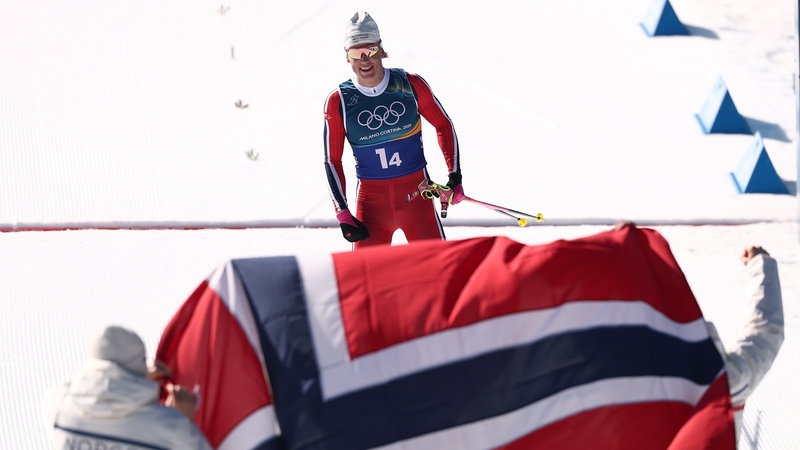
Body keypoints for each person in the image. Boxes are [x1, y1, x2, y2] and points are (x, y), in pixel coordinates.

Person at [613, 222, 784, 443]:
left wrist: (615, 259)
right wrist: (760, 264)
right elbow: (766, 327)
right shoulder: (727, 381)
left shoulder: (620, 385)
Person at [323, 11, 465, 248]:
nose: (365, 59)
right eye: (357, 53)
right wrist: (343, 213)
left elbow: (443, 125)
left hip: (418, 199)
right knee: (366, 283)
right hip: (371, 208)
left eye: (371, 50)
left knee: (438, 276)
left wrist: (455, 176)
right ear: (347, 57)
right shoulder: (338, 101)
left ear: (381, 50)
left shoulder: (410, 85)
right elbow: (332, 160)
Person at [42, 325, 212, 450]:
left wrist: (132, 378)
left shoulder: (57, 409)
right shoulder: (172, 427)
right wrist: (184, 420)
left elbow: (89, 387)